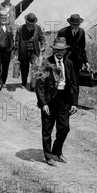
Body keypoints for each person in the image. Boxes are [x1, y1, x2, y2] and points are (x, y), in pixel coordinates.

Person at [35, 37, 79, 166]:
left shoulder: (69, 63)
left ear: (65, 51)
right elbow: (40, 85)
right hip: (50, 101)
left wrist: (74, 103)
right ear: (53, 50)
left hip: (64, 101)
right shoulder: (46, 63)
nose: (59, 53)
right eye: (57, 50)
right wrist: (43, 104)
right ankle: (49, 156)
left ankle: (57, 151)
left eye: (62, 50)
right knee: (47, 130)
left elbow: (74, 84)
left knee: (64, 128)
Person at [14, 13, 46, 90]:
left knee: (35, 67)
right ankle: (24, 83)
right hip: (23, 51)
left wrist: (43, 46)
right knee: (24, 68)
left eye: (32, 24)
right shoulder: (20, 29)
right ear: (26, 22)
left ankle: (33, 85)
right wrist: (16, 53)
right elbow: (17, 42)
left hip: (34, 52)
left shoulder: (37, 28)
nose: (31, 25)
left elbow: (42, 38)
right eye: (29, 24)